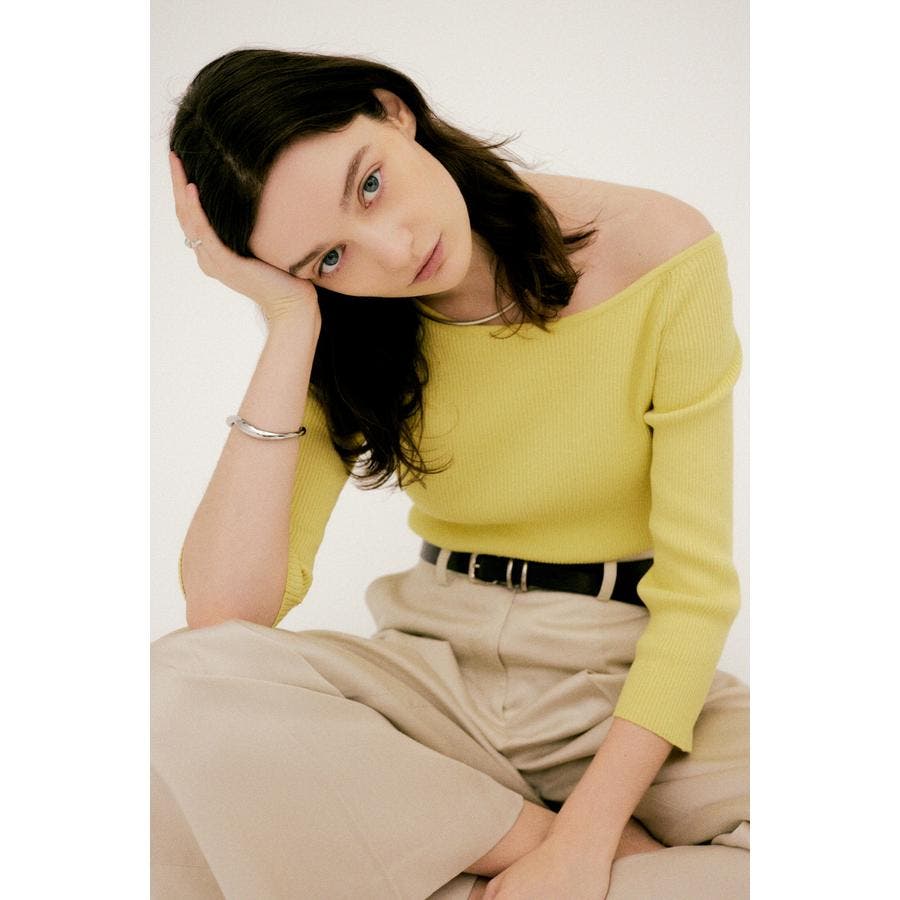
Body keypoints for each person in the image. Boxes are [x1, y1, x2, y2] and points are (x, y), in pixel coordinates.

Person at [150, 47, 749, 899]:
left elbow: (697, 591)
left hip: (619, 672)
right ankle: (527, 845)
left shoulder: (658, 250)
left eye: (369, 184)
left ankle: (458, 859)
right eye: (328, 258)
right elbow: (223, 621)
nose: (392, 251)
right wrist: (289, 320)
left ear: (393, 110)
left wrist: (588, 838)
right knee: (167, 694)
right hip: (432, 680)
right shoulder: (344, 324)